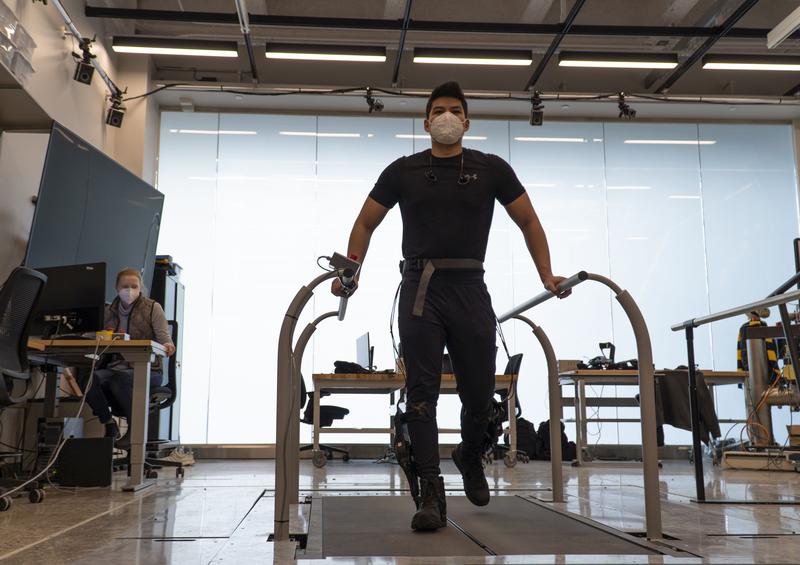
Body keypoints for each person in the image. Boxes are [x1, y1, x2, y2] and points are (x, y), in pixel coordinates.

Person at [331, 81, 570, 531]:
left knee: (480, 393)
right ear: (425, 122)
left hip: (470, 286)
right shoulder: (402, 171)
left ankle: (468, 453)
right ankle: (430, 494)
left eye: (454, 110)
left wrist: (547, 274)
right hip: (420, 288)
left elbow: (528, 219)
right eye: (437, 110)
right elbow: (366, 221)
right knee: (420, 395)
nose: (446, 116)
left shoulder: (491, 168)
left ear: (466, 120)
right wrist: (351, 272)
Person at [84, 268, 175, 447]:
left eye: (134, 286)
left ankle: (135, 429)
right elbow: (98, 336)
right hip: (115, 367)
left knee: (120, 380)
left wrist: (168, 345)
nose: (130, 290)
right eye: (125, 286)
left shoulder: (152, 308)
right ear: (116, 288)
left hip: (149, 369)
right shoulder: (108, 311)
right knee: (88, 379)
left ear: (140, 287)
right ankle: (109, 424)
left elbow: (165, 339)